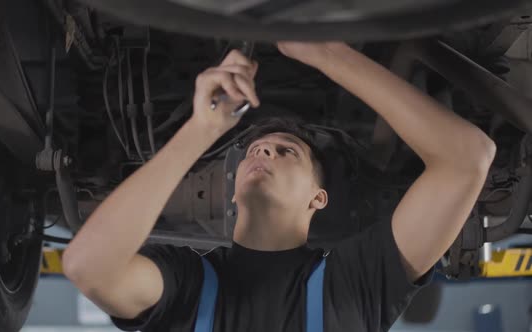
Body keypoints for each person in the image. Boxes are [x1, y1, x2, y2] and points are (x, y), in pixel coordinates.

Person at [62, 41, 496, 331]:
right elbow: (464, 160)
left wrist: (327, 53)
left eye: (285, 151)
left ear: (318, 198)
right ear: (233, 193)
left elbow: (469, 158)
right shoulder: (349, 289)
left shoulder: (187, 283)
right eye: (256, 150)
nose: (263, 152)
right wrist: (200, 129)